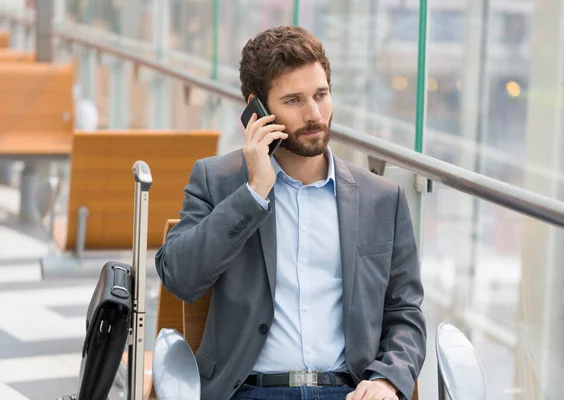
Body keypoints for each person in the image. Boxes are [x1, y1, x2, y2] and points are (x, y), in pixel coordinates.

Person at [155, 25, 426, 400]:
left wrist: (386, 379)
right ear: (258, 110)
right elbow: (180, 278)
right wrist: (253, 193)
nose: (315, 114)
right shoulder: (217, 181)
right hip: (251, 390)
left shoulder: (381, 198)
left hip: (350, 390)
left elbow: (405, 314)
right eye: (295, 101)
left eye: (321, 94)